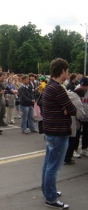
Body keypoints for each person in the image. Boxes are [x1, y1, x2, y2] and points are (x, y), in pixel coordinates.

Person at [41, 58, 76, 209]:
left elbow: (68, 108)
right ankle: (50, 197)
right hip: (58, 131)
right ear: (62, 70)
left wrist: (65, 108)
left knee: (48, 164)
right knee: (53, 167)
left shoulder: (50, 86)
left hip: (50, 130)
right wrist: (65, 109)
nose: (68, 74)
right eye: (67, 71)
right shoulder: (58, 88)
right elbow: (73, 110)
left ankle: (47, 191)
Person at [64, 88, 86, 164]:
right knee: (72, 141)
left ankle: (63, 157)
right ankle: (67, 158)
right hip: (72, 121)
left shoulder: (66, 95)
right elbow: (79, 114)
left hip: (62, 122)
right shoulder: (76, 100)